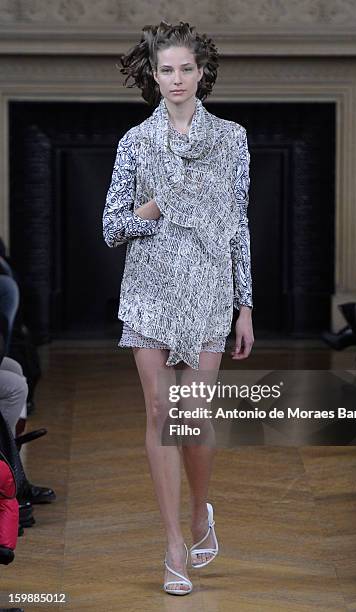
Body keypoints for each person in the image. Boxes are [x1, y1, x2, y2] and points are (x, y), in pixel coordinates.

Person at [102, 21, 254, 595]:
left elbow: (239, 226)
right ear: (152, 75)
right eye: (166, 69)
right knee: (162, 419)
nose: (177, 78)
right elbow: (111, 229)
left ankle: (199, 513)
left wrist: (245, 305)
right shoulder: (135, 143)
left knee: (195, 422)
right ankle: (172, 545)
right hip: (149, 289)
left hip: (210, 289)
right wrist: (151, 209)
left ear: (202, 72)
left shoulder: (232, 138)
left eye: (186, 68)